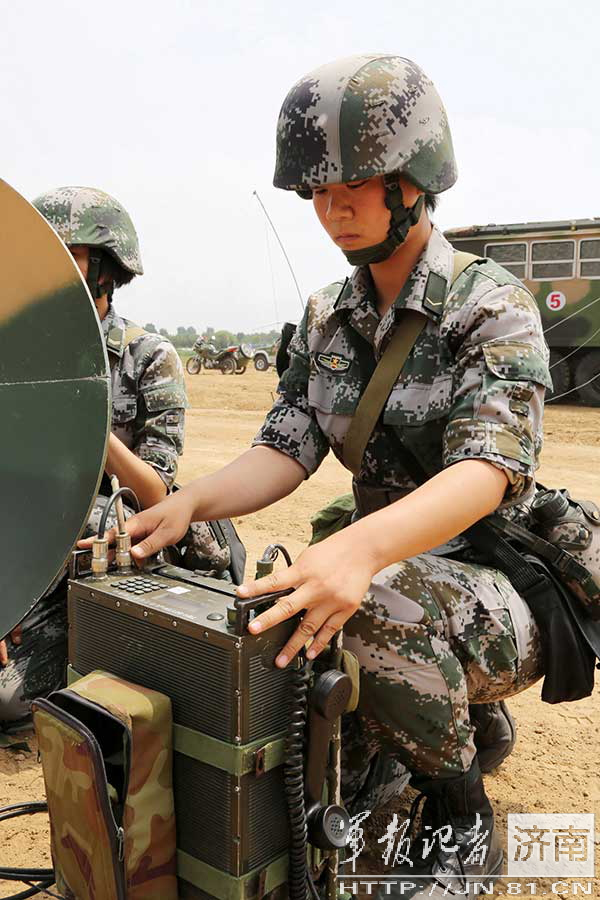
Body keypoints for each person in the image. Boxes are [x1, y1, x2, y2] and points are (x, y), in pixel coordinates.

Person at [86, 56, 552, 896]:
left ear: (413, 179)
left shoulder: (490, 303)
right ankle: (441, 728)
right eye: (317, 190)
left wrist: (359, 552)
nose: (334, 209)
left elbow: (489, 469)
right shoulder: (325, 319)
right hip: (401, 570)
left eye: (356, 184)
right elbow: (285, 446)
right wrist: (188, 501)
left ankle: (459, 810)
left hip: (500, 572)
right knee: (292, 618)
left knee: (357, 604)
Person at [0, 186, 186, 727]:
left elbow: (157, 495)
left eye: (71, 254)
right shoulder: (16, 357)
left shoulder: (149, 357)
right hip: (31, 555)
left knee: (7, 701)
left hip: (110, 557)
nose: (53, 268)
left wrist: (88, 426)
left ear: (107, 268)